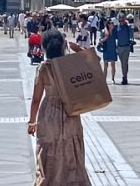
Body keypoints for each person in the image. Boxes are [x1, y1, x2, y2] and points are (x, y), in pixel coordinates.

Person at [28, 30, 90, 186]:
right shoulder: (70, 65)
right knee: (71, 148)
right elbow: (93, 62)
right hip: (70, 111)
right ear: (62, 47)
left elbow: (36, 99)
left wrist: (32, 121)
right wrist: (78, 50)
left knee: (48, 149)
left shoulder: (43, 68)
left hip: (49, 112)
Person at [110, 16, 136, 85]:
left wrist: (129, 25)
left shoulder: (128, 27)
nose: (121, 22)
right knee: (122, 63)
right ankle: (124, 75)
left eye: (122, 20)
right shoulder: (117, 27)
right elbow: (113, 34)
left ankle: (125, 77)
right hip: (119, 47)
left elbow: (132, 32)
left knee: (125, 62)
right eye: (120, 20)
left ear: (125, 20)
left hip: (126, 46)